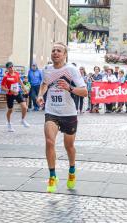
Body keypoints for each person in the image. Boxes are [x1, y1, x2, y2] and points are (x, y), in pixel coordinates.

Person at [36, 42, 88, 193]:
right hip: (51, 111)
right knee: (49, 141)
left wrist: (69, 88)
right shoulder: (47, 69)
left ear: (65, 55)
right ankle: (52, 176)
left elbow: (84, 92)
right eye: (53, 50)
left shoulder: (71, 70)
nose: (55, 53)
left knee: (69, 146)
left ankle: (72, 170)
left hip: (69, 113)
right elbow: (44, 84)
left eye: (59, 51)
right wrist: (40, 95)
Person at [1, 61, 30, 132]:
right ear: (7, 68)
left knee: (24, 107)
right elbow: (2, 87)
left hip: (17, 92)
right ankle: (9, 124)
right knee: (10, 110)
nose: (11, 68)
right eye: (9, 67)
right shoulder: (6, 77)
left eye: (12, 66)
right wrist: (10, 90)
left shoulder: (17, 73)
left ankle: (22, 120)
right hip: (10, 94)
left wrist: (24, 88)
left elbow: (20, 81)